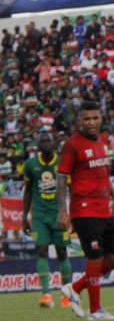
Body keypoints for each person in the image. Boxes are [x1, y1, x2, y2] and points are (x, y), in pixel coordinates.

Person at [57, 102, 114, 321]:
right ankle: (96, 310)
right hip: (84, 210)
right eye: (87, 119)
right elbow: (61, 178)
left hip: (104, 209)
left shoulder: (103, 142)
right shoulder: (72, 145)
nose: (91, 122)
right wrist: (62, 211)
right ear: (79, 121)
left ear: (101, 119)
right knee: (95, 258)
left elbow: (103, 174)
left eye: (95, 118)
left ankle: (75, 287)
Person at [22, 132, 72, 308]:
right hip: (40, 216)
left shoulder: (63, 162)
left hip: (59, 214)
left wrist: (70, 214)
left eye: (48, 141)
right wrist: (24, 216)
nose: (45, 144)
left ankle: (66, 295)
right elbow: (28, 191)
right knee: (41, 250)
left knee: (62, 253)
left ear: (53, 143)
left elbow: (71, 188)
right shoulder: (30, 164)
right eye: (42, 141)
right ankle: (46, 295)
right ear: (38, 144)